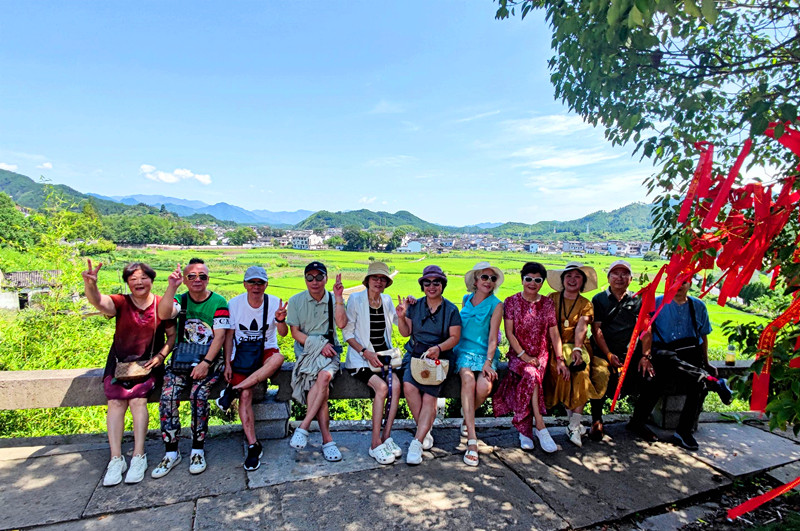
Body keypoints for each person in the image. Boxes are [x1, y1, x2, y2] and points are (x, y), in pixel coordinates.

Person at [82, 260, 176, 486]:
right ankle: (116, 458)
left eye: (143, 278)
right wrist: (91, 285)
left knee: (137, 401)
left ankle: (138, 455)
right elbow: (99, 302)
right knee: (115, 403)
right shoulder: (121, 302)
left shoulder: (160, 304)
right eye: (133, 279)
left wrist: (161, 356)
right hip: (120, 364)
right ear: (127, 283)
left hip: (148, 365)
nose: (139, 282)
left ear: (152, 280)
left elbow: (172, 335)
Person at [152, 258, 232, 478]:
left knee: (199, 396)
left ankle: (198, 448)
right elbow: (164, 314)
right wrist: (172, 287)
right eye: (192, 276)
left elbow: (220, 336)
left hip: (209, 360)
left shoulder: (218, 302)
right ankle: (171, 450)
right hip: (181, 361)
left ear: (208, 279)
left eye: (202, 276)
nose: (198, 280)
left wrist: (206, 363)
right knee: (167, 397)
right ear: (185, 280)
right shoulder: (180, 300)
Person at [630, 276, 725, 450]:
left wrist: (706, 362)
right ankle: (709, 379)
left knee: (697, 385)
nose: (678, 285)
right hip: (661, 354)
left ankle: (683, 431)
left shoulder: (698, 306)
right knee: (660, 371)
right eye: (675, 280)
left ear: (690, 284)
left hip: (688, 355)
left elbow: (703, 336)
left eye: (684, 282)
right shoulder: (656, 304)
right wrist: (646, 356)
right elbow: (646, 332)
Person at [220, 266, 288, 471]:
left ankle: (233, 389)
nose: (256, 287)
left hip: (266, 350)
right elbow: (229, 336)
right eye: (252, 282)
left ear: (266, 285)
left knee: (278, 358)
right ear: (245, 284)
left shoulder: (274, 302)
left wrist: (280, 319)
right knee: (246, 395)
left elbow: (283, 334)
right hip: (243, 353)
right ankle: (253, 444)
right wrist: (228, 362)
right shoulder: (235, 304)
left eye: (260, 283)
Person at [396, 264, 462, 465]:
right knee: (409, 386)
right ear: (422, 285)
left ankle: (417, 441)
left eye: (436, 282)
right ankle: (425, 430)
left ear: (442, 285)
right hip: (416, 355)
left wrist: (439, 348)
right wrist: (401, 317)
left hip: (439, 358)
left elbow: (455, 337)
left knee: (429, 397)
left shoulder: (451, 309)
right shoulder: (415, 306)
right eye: (427, 283)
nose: (431, 286)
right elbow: (405, 333)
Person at [494, 262, 562, 453]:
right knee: (531, 375)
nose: (533, 283)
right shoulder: (511, 301)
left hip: (541, 356)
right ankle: (539, 425)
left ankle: (524, 430)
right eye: (529, 279)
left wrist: (560, 359)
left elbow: (554, 332)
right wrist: (523, 356)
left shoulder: (547, 303)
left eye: (537, 280)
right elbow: (509, 333)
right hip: (518, 355)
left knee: (532, 375)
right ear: (522, 279)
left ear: (542, 282)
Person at [342, 261, 402, 465]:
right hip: (360, 359)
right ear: (367, 280)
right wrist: (365, 352)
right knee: (382, 388)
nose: (379, 282)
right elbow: (347, 333)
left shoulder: (387, 300)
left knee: (397, 386)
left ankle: (386, 437)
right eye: (375, 278)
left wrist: (405, 313)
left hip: (384, 357)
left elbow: (403, 328)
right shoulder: (356, 299)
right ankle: (375, 443)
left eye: (383, 279)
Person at [287, 261, 347, 462]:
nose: (315, 281)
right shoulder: (296, 301)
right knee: (322, 390)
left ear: (326, 279)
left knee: (323, 377)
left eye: (319, 277)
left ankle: (303, 427)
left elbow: (341, 324)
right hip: (306, 353)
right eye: (310, 277)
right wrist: (318, 345)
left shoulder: (332, 299)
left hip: (330, 353)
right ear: (305, 279)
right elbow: (295, 333)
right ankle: (327, 441)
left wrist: (338, 298)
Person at [588, 260, 649, 442]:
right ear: (608, 278)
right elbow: (596, 330)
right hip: (603, 352)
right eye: (615, 273)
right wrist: (608, 354)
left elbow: (646, 329)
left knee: (650, 378)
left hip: (630, 354)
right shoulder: (599, 299)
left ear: (630, 279)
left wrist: (645, 356)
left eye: (624, 274)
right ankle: (597, 420)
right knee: (599, 374)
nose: (620, 277)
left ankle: (638, 421)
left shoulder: (638, 300)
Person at [544, 262, 600, 448]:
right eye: (568, 276)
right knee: (562, 374)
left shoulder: (586, 304)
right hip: (554, 346)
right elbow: (549, 327)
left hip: (577, 345)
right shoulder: (552, 299)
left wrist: (577, 349)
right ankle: (574, 424)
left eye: (577, 276)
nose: (572, 280)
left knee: (581, 372)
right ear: (562, 280)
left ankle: (574, 425)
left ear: (583, 281)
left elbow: (581, 328)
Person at [454, 261, 504, 466]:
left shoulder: (497, 305)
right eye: (484, 277)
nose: (488, 281)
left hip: (485, 353)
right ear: (475, 280)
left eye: (493, 278)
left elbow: (493, 337)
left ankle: (467, 416)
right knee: (468, 380)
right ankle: (472, 441)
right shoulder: (466, 299)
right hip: (464, 350)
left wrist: (488, 362)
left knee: (485, 387)